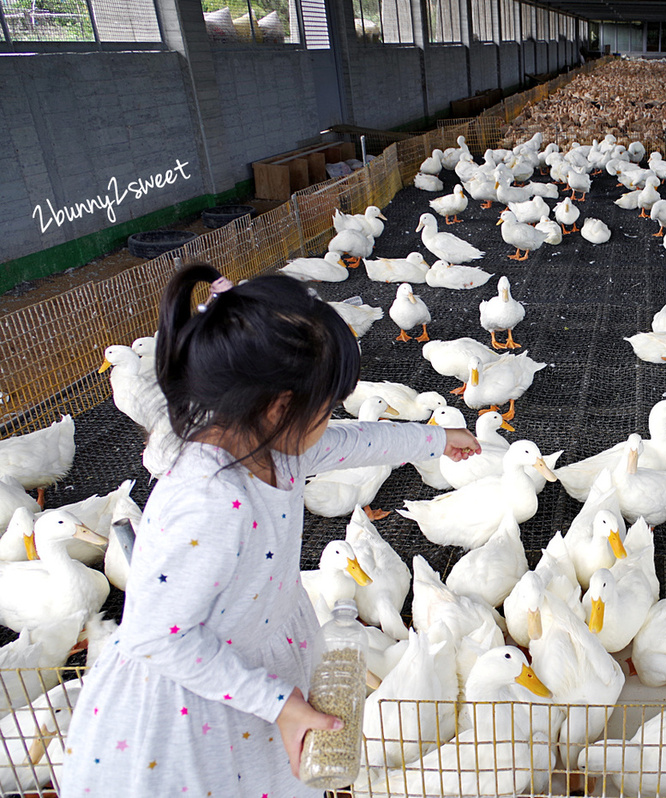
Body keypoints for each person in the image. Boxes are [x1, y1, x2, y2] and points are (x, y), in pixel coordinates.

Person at [60, 264, 480, 797]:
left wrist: (433, 440)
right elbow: (157, 639)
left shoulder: (273, 444)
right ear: (282, 406)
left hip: (253, 674)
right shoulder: (209, 499)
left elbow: (356, 443)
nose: (330, 421)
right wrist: (277, 703)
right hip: (197, 709)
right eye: (326, 408)